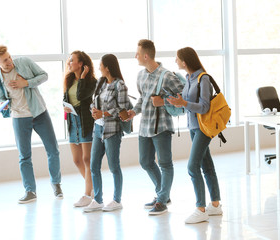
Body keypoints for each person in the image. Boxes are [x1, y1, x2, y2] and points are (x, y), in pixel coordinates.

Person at [0, 45, 62, 204]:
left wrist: (26, 83)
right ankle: (30, 191)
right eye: (5, 61)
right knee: (24, 156)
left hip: (39, 112)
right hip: (19, 117)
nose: (9, 62)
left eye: (9, 57)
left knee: (53, 149)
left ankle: (56, 184)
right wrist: (3, 103)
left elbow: (44, 75)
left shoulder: (24, 62)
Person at [126, 39, 184, 215]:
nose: (135, 56)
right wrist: (134, 112)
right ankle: (162, 194)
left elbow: (184, 97)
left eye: (137, 53)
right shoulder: (141, 75)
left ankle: (161, 199)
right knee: (145, 161)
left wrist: (164, 101)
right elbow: (143, 98)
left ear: (145, 55)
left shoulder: (166, 76)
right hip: (145, 127)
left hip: (162, 127)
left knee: (165, 164)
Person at [166, 47, 223, 224]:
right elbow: (189, 104)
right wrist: (179, 102)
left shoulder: (202, 78)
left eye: (177, 58)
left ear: (185, 61)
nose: (175, 61)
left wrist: (185, 102)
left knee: (192, 166)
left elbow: (204, 107)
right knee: (206, 164)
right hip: (192, 126)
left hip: (203, 128)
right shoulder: (189, 78)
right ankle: (215, 204)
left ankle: (200, 209)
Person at [83, 54, 132, 212]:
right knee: (93, 165)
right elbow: (93, 102)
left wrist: (104, 113)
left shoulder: (120, 85)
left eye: (101, 65)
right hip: (97, 128)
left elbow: (123, 109)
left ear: (108, 67)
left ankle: (117, 200)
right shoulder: (101, 82)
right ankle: (97, 199)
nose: (99, 68)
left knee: (113, 166)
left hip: (112, 130)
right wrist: (94, 111)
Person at [63, 51, 97, 207]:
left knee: (87, 159)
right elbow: (68, 98)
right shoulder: (69, 80)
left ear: (81, 64)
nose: (69, 63)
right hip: (73, 121)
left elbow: (82, 95)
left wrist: (82, 77)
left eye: (72, 60)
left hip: (85, 122)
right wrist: (66, 107)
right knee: (77, 160)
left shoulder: (91, 82)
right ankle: (94, 189)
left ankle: (87, 194)